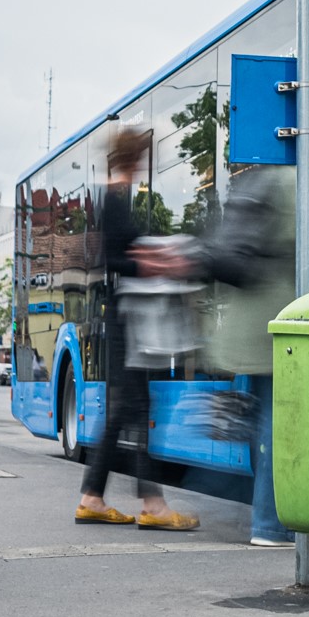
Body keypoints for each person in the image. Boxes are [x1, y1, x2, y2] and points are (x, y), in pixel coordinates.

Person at [138, 164, 296, 547]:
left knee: (262, 420)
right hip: (272, 328)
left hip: (248, 334)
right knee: (272, 420)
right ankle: (272, 524)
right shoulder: (290, 183)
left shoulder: (254, 181)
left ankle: (269, 521)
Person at [74, 128, 200, 531]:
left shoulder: (115, 197)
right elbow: (116, 259)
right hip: (128, 319)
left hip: (126, 317)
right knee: (136, 408)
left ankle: (93, 497)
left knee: (125, 410)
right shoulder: (114, 199)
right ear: (133, 157)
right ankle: (152, 504)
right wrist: (161, 263)